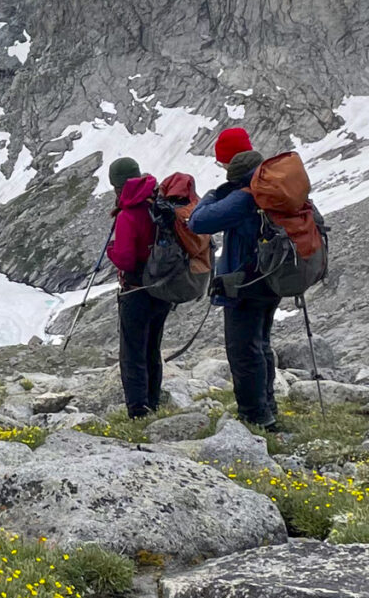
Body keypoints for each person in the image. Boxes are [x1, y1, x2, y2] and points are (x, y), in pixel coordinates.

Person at [189, 129, 284, 432]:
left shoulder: (243, 195)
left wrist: (215, 194)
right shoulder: (270, 183)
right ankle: (268, 406)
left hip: (246, 283)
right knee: (261, 344)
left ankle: (254, 416)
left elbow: (198, 221)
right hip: (272, 278)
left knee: (243, 350)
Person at [104, 156, 167, 417]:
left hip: (136, 289)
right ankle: (153, 400)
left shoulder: (128, 214)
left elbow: (127, 259)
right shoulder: (156, 202)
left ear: (118, 186)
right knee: (152, 346)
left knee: (132, 351)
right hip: (162, 287)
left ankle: (138, 409)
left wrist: (111, 251)